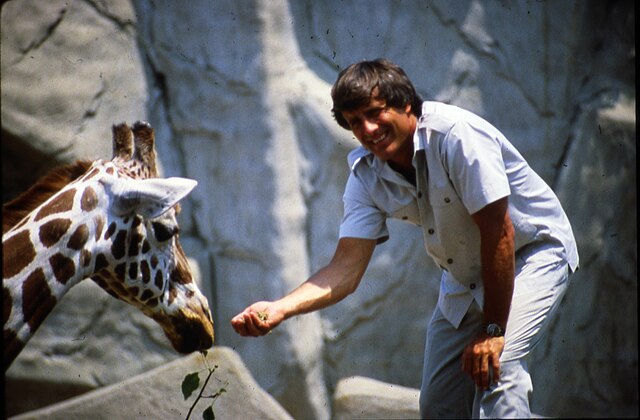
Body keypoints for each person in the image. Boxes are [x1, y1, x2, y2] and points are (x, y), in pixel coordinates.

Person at [231, 59, 579, 418]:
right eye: (354, 123)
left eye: (374, 113)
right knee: (438, 405)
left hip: (532, 253)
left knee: (498, 368)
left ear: (406, 103)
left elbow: (499, 232)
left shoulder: (454, 135)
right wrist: (278, 309)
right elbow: (346, 267)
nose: (367, 129)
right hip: (466, 277)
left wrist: (493, 330)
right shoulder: (366, 176)